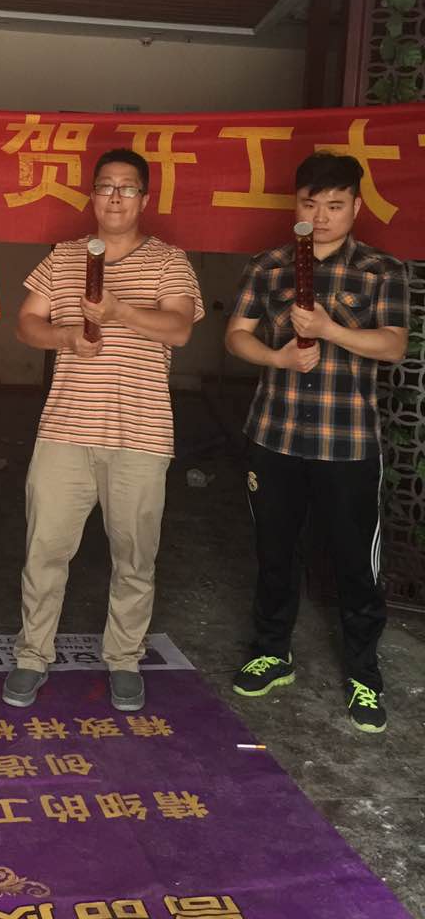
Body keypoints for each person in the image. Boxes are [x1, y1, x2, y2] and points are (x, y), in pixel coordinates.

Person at [3, 148, 202, 712]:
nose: (115, 197)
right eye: (105, 186)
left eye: (127, 187)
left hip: (141, 434)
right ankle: (32, 655)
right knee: (44, 550)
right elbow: (26, 324)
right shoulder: (65, 256)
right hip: (65, 429)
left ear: (144, 198)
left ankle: (124, 659)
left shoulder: (169, 260)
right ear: (91, 196)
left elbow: (180, 328)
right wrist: (66, 337)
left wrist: (119, 313)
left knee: (134, 556)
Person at [225, 152, 408, 734]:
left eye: (335, 205)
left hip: (347, 443)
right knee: (275, 552)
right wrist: (276, 356)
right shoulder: (269, 265)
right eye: (311, 204)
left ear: (356, 206)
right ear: (296, 205)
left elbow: (394, 345)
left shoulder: (381, 269)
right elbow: (235, 336)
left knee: (356, 564)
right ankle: (272, 652)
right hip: (274, 435)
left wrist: (329, 329)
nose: (322, 216)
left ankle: (364, 674)